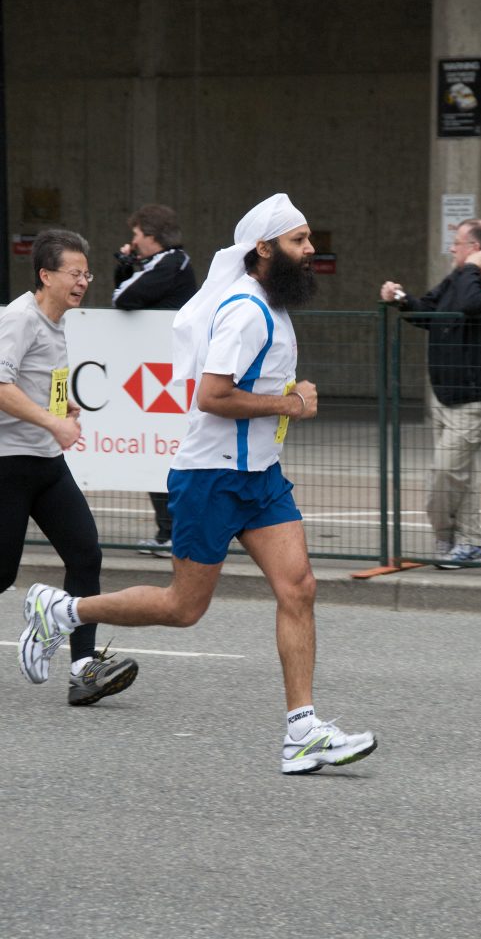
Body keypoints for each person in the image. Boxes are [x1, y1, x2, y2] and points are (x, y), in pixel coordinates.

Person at [19, 194, 378, 775]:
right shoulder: (244, 310)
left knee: (300, 587)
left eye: (309, 239)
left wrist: (284, 405)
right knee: (184, 608)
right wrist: (291, 403)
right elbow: (211, 396)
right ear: (263, 249)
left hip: (260, 477)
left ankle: (302, 731)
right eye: (299, 241)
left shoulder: (270, 303)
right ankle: (64, 612)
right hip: (212, 477)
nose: (312, 250)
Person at [1, 228, 138, 704]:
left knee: (86, 556)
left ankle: (83, 668)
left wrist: (63, 409)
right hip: (9, 465)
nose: (83, 282)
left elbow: (35, 384)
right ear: (46, 275)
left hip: (46, 464)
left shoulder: (58, 321)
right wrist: (51, 423)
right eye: (74, 273)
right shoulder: (19, 317)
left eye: (87, 273)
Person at [381, 219, 481, 568]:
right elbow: (428, 312)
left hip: (476, 399)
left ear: (475, 249)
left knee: (444, 471)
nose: (452, 249)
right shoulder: (455, 280)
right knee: (460, 473)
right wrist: (400, 298)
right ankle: (471, 543)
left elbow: (473, 305)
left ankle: (444, 534)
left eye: (458, 243)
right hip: (443, 394)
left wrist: (470, 270)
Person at [113, 203, 198, 558]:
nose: (132, 239)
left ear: (151, 236)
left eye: (136, 234)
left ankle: (172, 534)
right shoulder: (158, 264)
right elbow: (125, 291)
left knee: (167, 453)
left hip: (167, 371)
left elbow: (124, 298)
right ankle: (168, 533)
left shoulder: (172, 263)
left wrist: (128, 270)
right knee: (156, 451)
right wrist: (126, 264)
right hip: (156, 369)